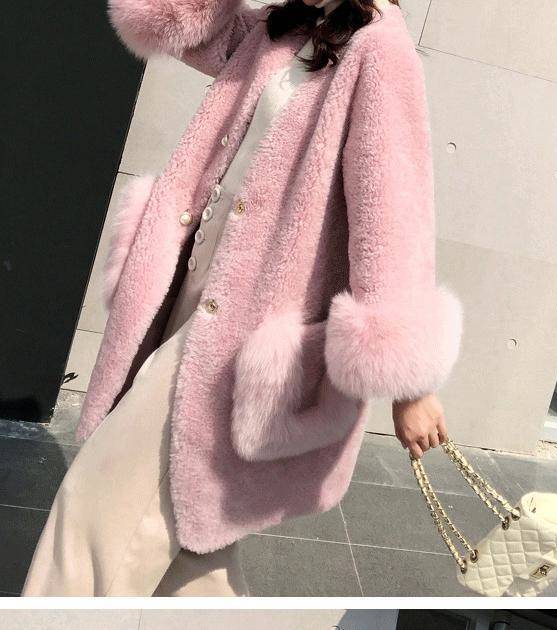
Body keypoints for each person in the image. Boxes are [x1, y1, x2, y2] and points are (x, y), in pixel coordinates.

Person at [22, 0, 463, 596]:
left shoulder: (379, 49)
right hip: (190, 296)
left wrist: (410, 384)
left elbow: (391, 216)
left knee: (93, 509)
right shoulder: (279, 28)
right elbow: (161, 23)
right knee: (191, 551)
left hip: (239, 331)